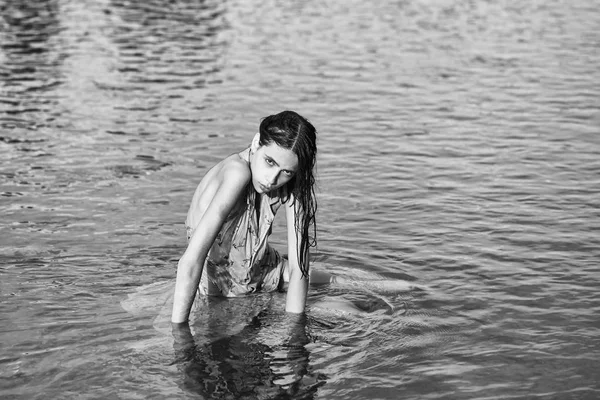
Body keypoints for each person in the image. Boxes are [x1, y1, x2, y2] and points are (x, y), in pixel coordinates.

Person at [171, 110, 322, 324]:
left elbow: (299, 268)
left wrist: (294, 333)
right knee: (341, 311)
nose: (272, 179)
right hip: (221, 285)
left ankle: (386, 283)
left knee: (350, 302)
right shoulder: (237, 173)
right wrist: (180, 336)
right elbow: (191, 260)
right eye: (269, 162)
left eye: (286, 172)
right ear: (256, 142)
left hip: (264, 270)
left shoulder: (292, 184)